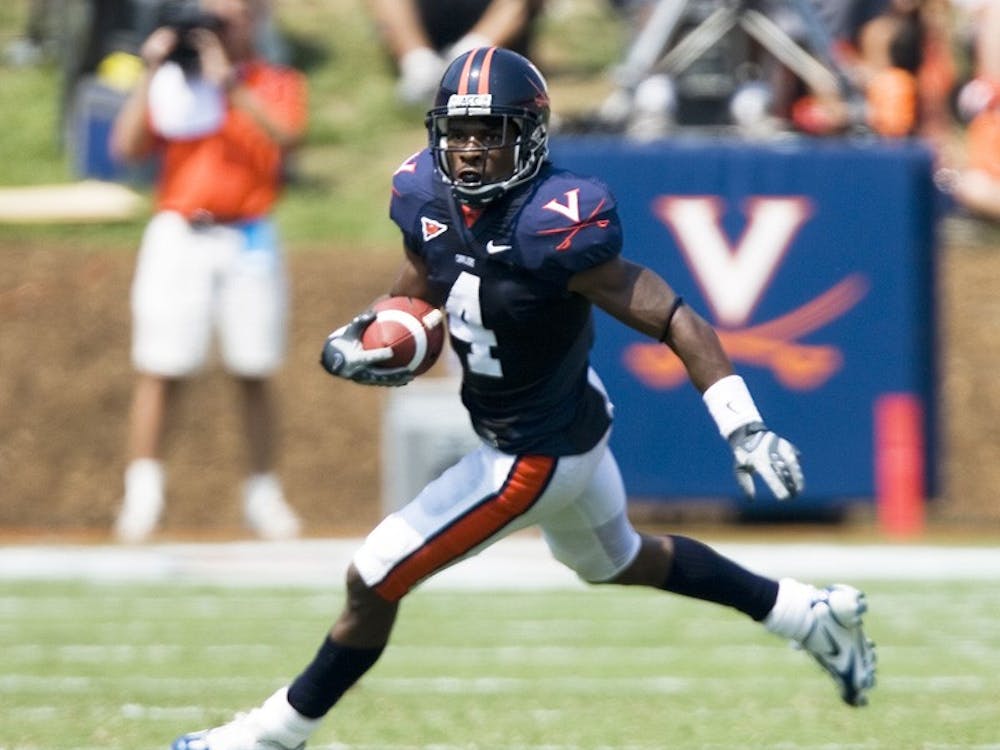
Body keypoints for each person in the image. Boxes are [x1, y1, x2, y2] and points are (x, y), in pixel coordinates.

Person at [170, 47, 877, 750]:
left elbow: (673, 318)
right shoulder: (424, 194)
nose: (471, 151)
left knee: (372, 578)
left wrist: (744, 427)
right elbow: (418, 286)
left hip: (529, 456)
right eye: (459, 133)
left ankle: (270, 736)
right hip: (571, 419)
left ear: (531, 137)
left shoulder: (555, 221)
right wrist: (373, 332)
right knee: (618, 561)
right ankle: (803, 612)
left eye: (492, 134)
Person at [109, 0, 306, 543]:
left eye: (236, 15)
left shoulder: (273, 78)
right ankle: (142, 495)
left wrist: (231, 84)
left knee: (255, 364)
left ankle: (262, 493)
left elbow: (287, 137)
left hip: (248, 231)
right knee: (161, 364)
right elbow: (126, 147)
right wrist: (152, 68)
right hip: (180, 230)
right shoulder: (174, 84)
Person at [365, 0, 545, 105]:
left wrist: (471, 50)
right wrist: (417, 59)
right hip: (424, 28)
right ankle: (419, 66)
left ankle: (469, 58)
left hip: (497, 41)